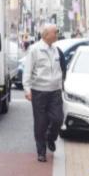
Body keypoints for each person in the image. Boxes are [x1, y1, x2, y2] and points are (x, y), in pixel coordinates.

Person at [24, 24, 64, 163]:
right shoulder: (35, 49)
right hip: (39, 91)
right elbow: (27, 70)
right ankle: (41, 151)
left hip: (55, 91)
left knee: (58, 119)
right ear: (46, 35)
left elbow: (60, 69)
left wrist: (61, 86)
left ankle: (51, 138)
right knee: (40, 123)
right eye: (55, 32)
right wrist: (27, 89)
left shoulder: (56, 50)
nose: (57, 34)